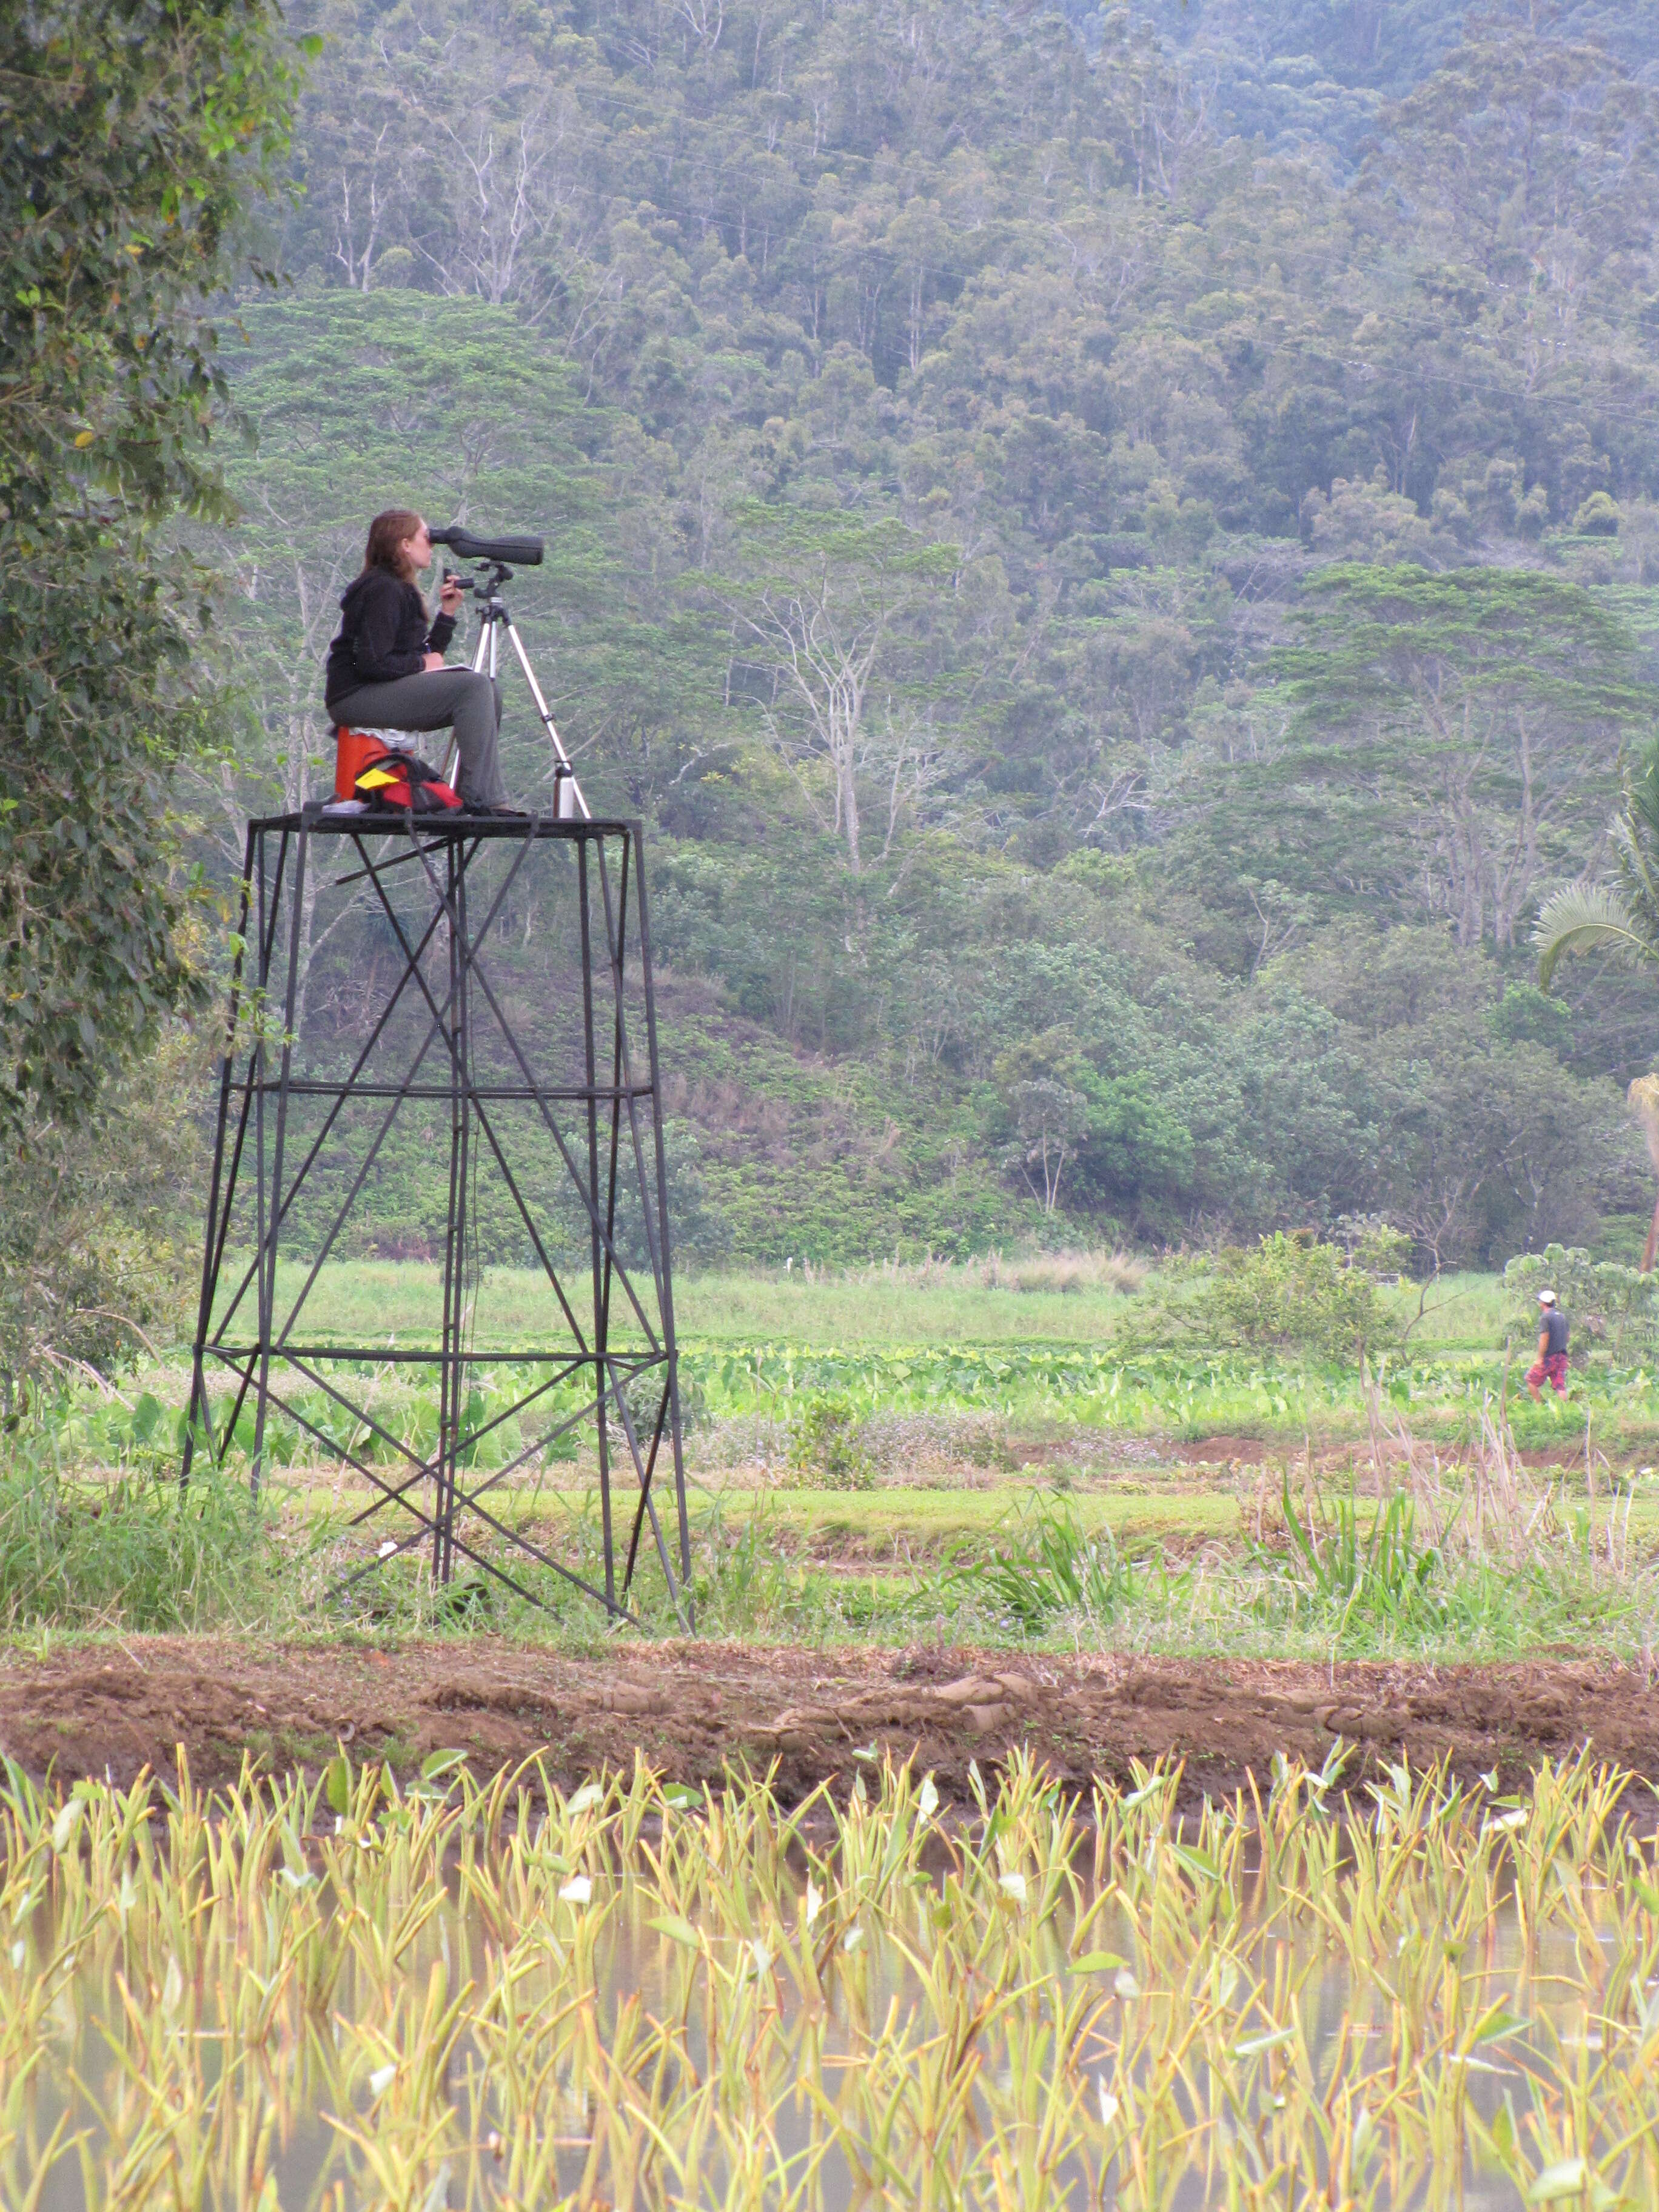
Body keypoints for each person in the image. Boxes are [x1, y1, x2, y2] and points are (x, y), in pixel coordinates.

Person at [324, 510, 521, 814]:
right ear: (405, 544)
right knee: (473, 687)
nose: (431, 545)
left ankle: (471, 795)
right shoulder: (383, 589)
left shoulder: (397, 588)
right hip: (355, 697)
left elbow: (424, 654)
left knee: (488, 690)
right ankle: (487, 799)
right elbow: (373, 663)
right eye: (425, 538)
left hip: (375, 690)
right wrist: (421, 665)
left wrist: (447, 615)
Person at [1527, 1288, 1569, 1401]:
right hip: (1562, 1356)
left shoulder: (1545, 1317)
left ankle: (1540, 1406)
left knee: (1531, 1380)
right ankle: (1563, 1410)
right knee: (1560, 1385)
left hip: (1549, 1357)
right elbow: (1567, 1337)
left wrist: (1540, 1358)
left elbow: (1544, 1338)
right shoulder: (1562, 1317)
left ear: (1542, 1303)